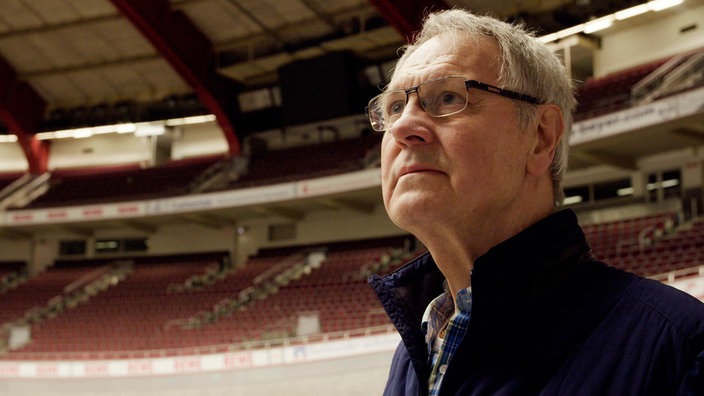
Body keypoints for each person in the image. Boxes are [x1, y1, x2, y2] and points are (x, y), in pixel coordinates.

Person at [367, 8, 704, 396]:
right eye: (394, 107)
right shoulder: (415, 353)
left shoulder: (679, 352)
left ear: (542, 137)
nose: (405, 126)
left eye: (447, 97)